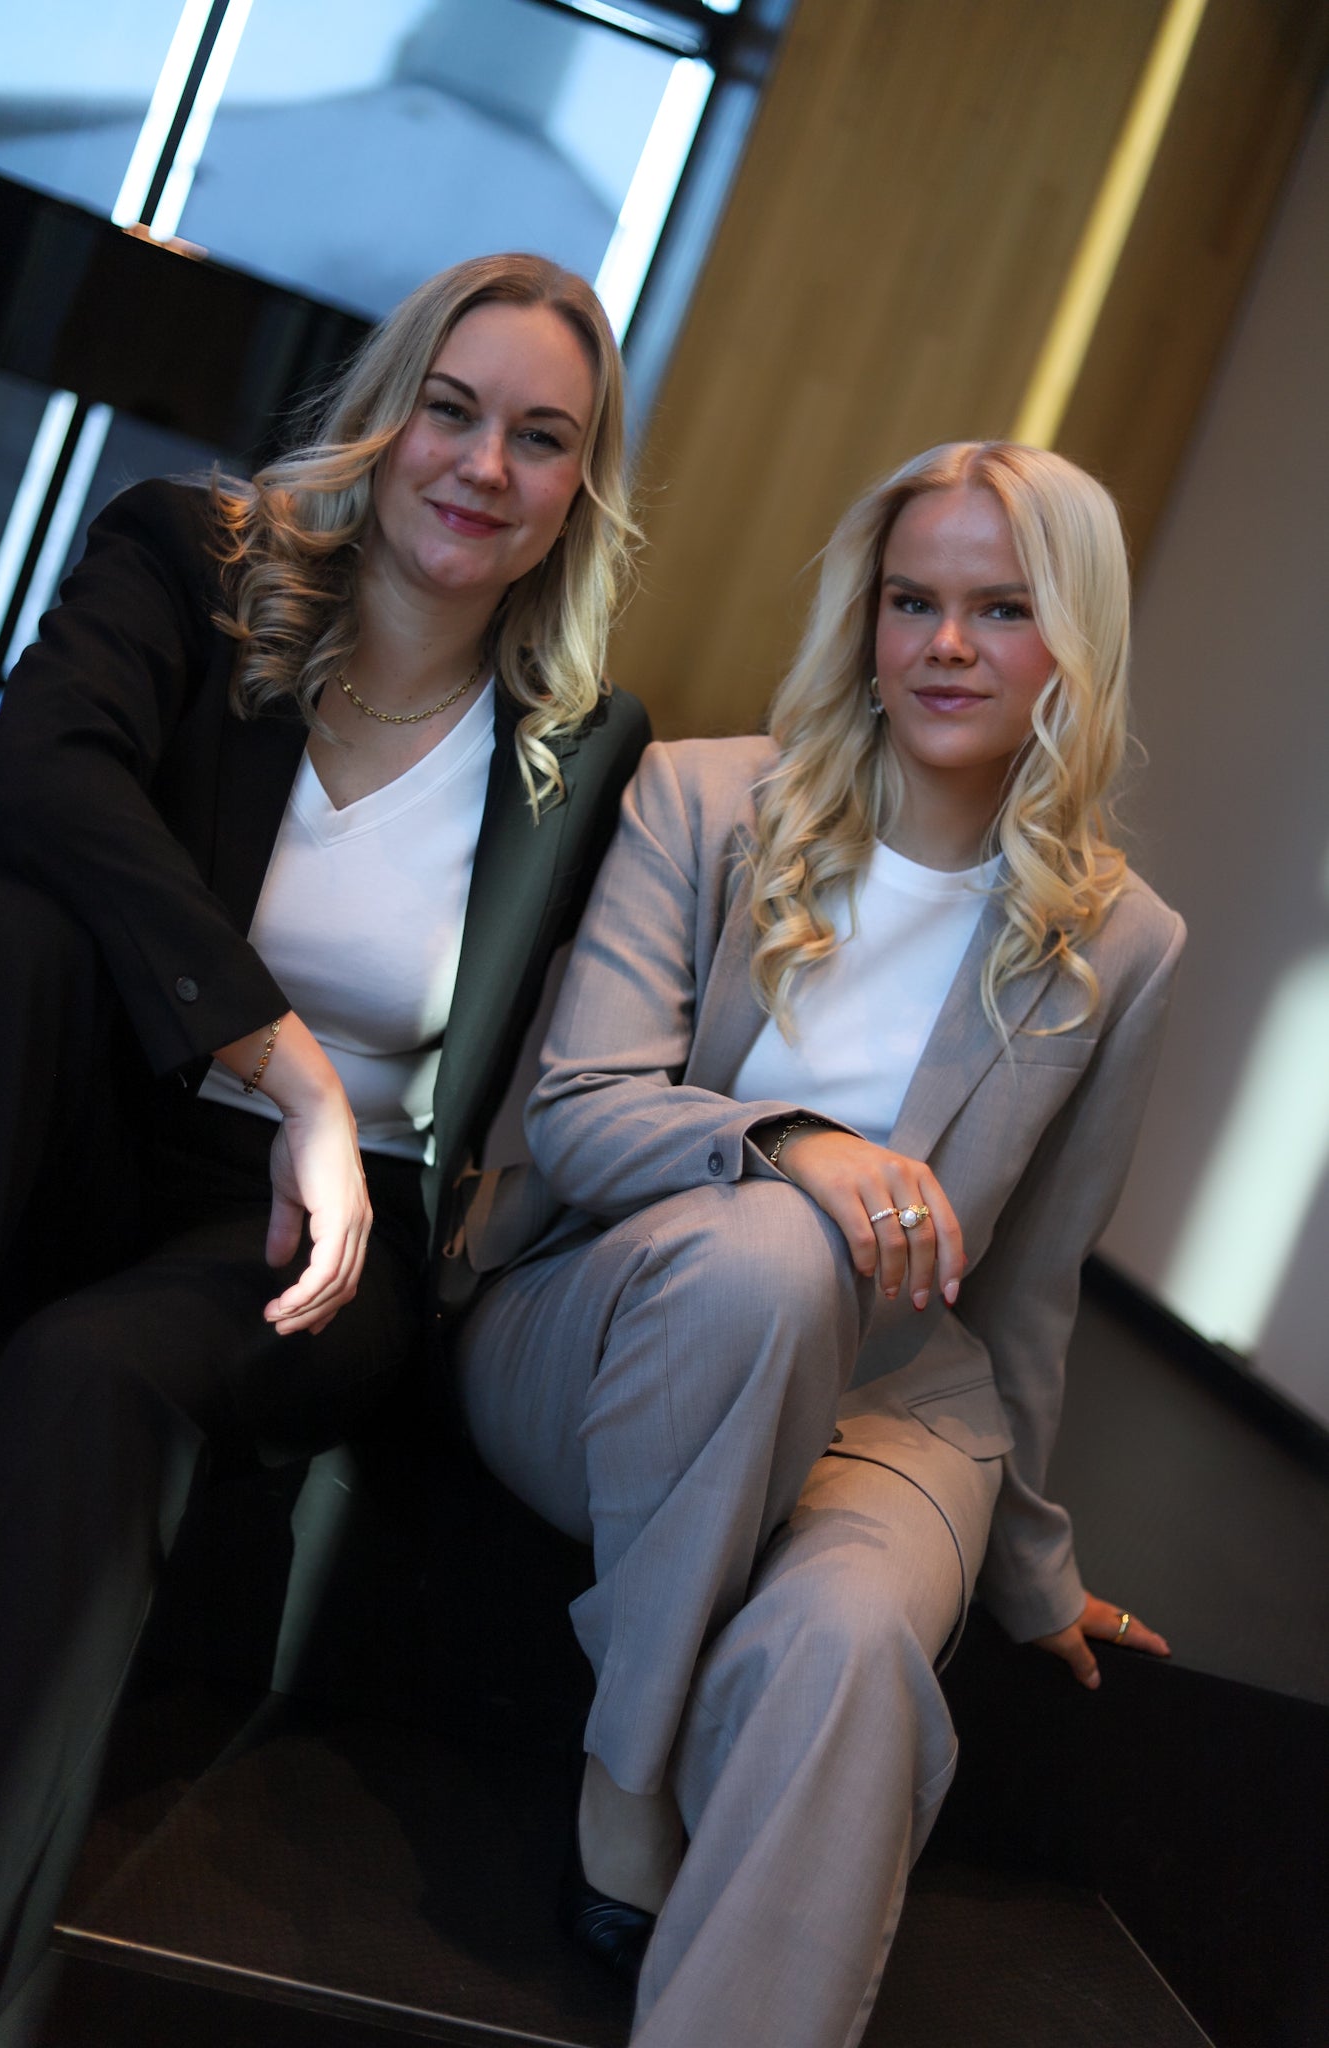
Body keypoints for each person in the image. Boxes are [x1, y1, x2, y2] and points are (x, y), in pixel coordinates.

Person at [0, 251, 649, 2043]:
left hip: (322, 1241)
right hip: (115, 1111)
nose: (481, 466)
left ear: (580, 487)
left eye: (540, 438)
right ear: (386, 410)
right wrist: (299, 1080)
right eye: (452, 410)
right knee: (0, 933)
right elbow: (37, 779)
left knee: (87, 1374)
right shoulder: (189, 558)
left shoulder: (581, 750)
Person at [454, 441, 1183, 2047]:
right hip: (615, 1338)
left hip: (888, 1405)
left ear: (1075, 639)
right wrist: (792, 1145)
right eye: (910, 602)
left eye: (1001, 610)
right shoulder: (705, 800)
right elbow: (578, 1109)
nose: (944, 645)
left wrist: (1031, 1573)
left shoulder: (1121, 941)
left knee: (844, 1649)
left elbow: (1030, 1286)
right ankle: (627, 1772)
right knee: (778, 1256)